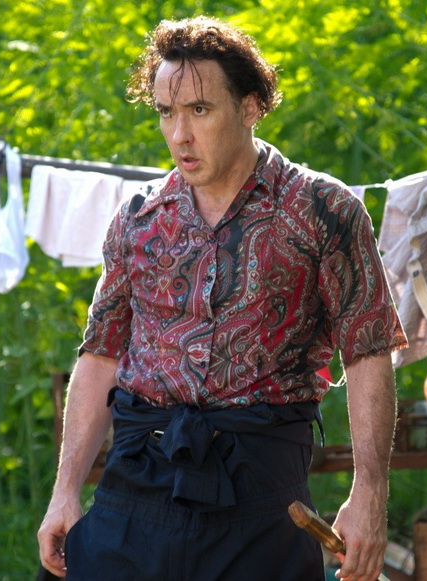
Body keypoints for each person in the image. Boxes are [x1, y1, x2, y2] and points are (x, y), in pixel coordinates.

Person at [38, 15, 407, 581]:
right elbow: (100, 355)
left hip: (262, 495)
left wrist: (369, 495)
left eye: (199, 110)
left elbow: (368, 353)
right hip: (137, 486)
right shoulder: (138, 217)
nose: (179, 134)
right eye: (166, 112)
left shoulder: (323, 210)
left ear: (251, 106)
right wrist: (65, 491)